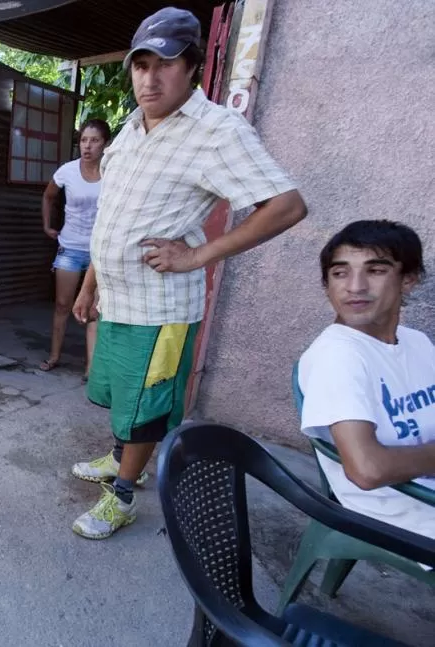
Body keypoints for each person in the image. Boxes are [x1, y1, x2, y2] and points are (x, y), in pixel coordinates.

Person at [69, 6, 308, 540]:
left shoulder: (217, 130)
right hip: (118, 299)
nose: (149, 78)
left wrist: (197, 256)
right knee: (124, 395)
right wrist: (91, 282)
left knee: (148, 405)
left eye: (165, 64)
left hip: (161, 308)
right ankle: (117, 459)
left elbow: (286, 205)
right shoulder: (129, 130)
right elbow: (111, 217)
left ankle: (124, 497)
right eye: (140, 65)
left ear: (193, 66)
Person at [298, 220, 435, 547]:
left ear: (409, 280)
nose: (355, 287)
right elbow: (366, 469)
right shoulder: (338, 357)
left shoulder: (416, 342)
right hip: (403, 510)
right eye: (340, 273)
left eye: (375, 270)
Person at [40, 119, 111, 380]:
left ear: (106, 144)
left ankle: (90, 368)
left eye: (94, 140)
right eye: (83, 140)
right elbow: (48, 196)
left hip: (99, 252)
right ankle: (54, 356)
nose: (87, 146)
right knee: (62, 305)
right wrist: (48, 226)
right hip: (70, 248)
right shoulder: (67, 171)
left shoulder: (113, 173)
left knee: (93, 310)